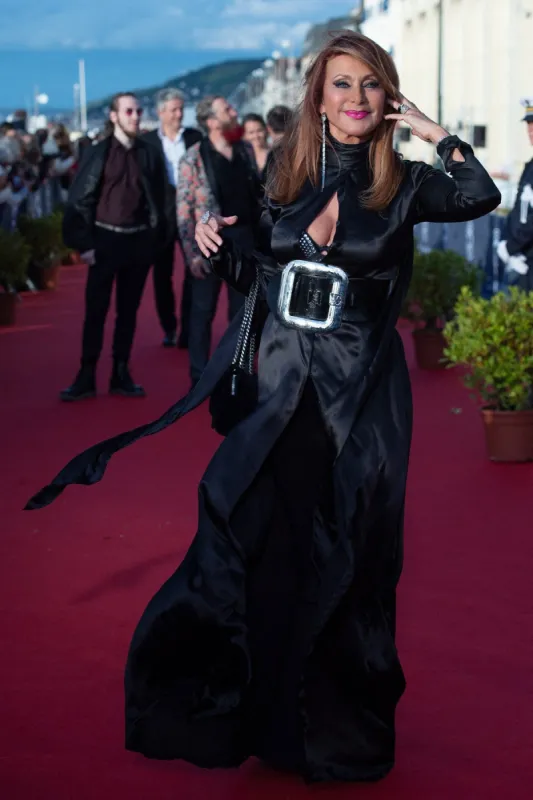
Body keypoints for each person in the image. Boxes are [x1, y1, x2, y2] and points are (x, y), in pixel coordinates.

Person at [26, 32, 500, 783]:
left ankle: (335, 733)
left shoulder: (406, 185)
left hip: (358, 407)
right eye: (339, 85)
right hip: (282, 398)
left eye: (369, 86)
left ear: (387, 98)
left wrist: (431, 132)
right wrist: (222, 240)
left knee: (346, 564)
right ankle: (265, 721)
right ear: (317, 98)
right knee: (257, 550)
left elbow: (479, 195)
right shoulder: (287, 177)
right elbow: (264, 268)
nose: (353, 99)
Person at [59, 92, 167, 401]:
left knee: (128, 312)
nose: (135, 115)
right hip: (104, 242)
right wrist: (84, 244)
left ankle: (121, 372)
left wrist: (153, 240)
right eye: (129, 111)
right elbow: (79, 200)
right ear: (114, 116)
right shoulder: (97, 152)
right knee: (96, 311)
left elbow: (159, 199)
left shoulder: (149, 153)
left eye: (138, 110)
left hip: (137, 243)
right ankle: (86, 374)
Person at [177, 95, 261, 387]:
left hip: (245, 241)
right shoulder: (193, 158)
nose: (235, 112)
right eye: (228, 109)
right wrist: (192, 255)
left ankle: (239, 372)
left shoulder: (245, 150)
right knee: (202, 311)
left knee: (243, 313)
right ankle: (200, 377)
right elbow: (184, 210)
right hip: (209, 243)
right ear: (211, 121)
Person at [142, 89, 202, 348]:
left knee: (194, 269)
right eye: (175, 109)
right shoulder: (146, 143)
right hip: (161, 216)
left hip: (190, 213)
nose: (179, 114)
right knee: (161, 275)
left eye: (181, 109)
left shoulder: (195, 138)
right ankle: (169, 326)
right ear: (161, 112)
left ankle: (188, 329)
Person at [496, 100, 533, 291]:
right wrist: (506, 242)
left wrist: (511, 246)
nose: (531, 131)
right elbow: (519, 210)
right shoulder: (530, 166)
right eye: (529, 125)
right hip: (520, 258)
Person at [242, 113, 270, 181]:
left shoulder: (277, 153)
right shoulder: (242, 158)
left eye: (259, 130)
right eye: (251, 132)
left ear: (266, 130)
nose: (256, 136)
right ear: (244, 135)